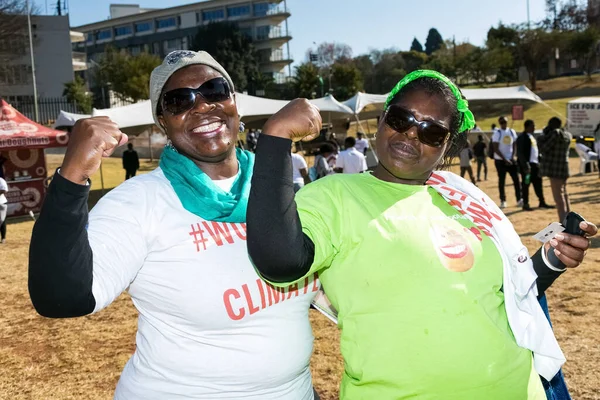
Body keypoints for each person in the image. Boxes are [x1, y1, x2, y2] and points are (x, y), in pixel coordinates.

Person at [246, 70, 598, 399]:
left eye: (431, 132)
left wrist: (552, 259)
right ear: (383, 119)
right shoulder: (335, 194)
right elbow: (280, 261)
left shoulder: (462, 195)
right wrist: (275, 138)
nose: (411, 134)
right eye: (401, 119)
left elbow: (514, 292)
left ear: (447, 145)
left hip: (516, 388)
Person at [28, 51, 320, 400]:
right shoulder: (140, 202)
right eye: (179, 100)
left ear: (234, 103)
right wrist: (72, 176)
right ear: (162, 122)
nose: (201, 106)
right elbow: (61, 297)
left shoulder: (276, 181)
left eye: (214, 90)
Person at [538, 117, 573, 223]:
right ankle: (569, 218)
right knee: (564, 194)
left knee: (558, 197)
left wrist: (542, 136)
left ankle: (563, 221)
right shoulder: (567, 134)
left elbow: (544, 148)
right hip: (564, 167)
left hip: (555, 169)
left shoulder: (555, 134)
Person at [517, 120, 554, 212]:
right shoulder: (522, 137)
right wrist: (525, 166)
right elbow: (520, 153)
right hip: (527, 167)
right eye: (533, 126)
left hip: (535, 165)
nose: (534, 128)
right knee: (526, 185)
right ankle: (525, 204)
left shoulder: (532, 137)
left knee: (538, 184)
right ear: (527, 126)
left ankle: (542, 202)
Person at [492, 116, 522, 208]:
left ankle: (519, 199)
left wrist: (512, 157)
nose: (503, 123)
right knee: (502, 181)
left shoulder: (511, 132)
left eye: (504, 121)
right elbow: (496, 148)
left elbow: (514, 145)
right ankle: (503, 200)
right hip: (500, 161)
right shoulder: (497, 133)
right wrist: (505, 159)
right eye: (501, 122)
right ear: (499, 123)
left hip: (511, 160)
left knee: (516, 180)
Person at [0, 176, 7, 244]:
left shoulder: (1, 180)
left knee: (2, 220)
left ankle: (3, 238)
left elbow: (4, 190)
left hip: (1, 203)